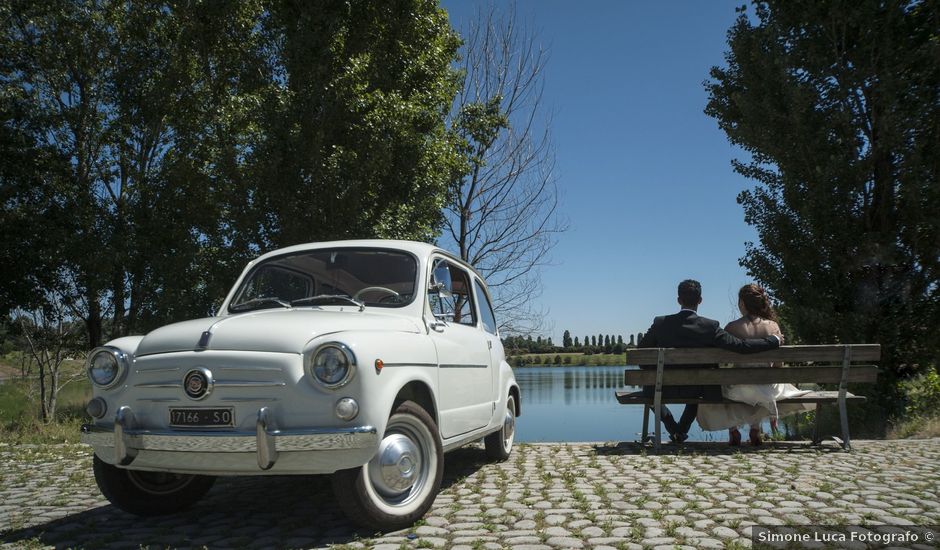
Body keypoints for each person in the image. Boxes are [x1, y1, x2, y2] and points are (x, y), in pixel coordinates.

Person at [638, 280, 783, 443]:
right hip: (700, 389)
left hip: (661, 388)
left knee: (650, 392)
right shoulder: (710, 327)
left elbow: (641, 354)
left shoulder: (660, 323)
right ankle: (679, 431)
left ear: (678, 300)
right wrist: (773, 340)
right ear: (700, 300)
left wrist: (652, 373)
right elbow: (742, 347)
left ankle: (674, 428)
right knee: (699, 388)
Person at [697, 284, 814, 445]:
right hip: (767, 388)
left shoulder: (732, 327)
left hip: (740, 389)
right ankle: (755, 429)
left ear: (742, 304)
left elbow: (722, 362)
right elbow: (779, 364)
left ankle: (733, 430)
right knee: (766, 388)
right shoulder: (773, 326)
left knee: (727, 386)